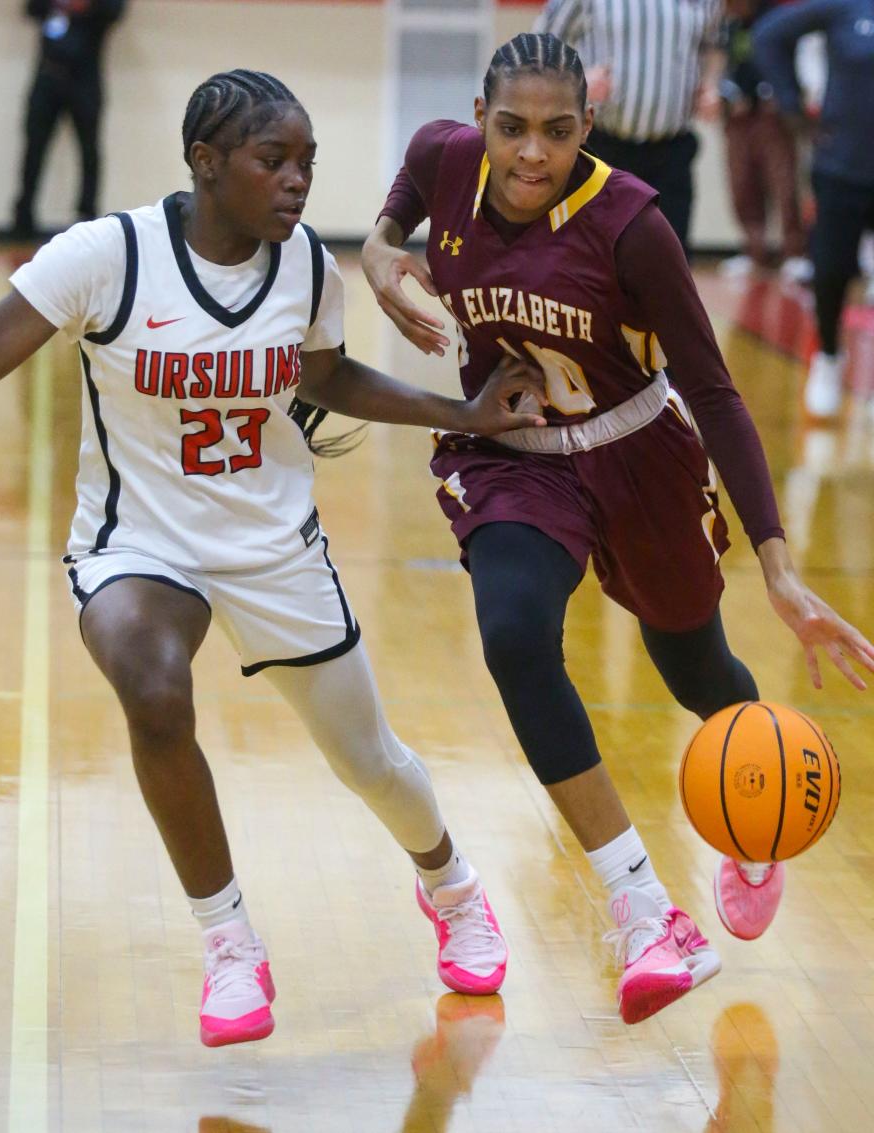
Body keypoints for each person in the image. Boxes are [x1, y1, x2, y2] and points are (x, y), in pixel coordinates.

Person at [0, 70, 552, 1046]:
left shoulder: (305, 271)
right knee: (155, 688)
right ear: (206, 164)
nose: (298, 181)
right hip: (139, 540)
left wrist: (460, 414)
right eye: (274, 160)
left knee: (370, 759)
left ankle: (453, 884)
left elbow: (329, 376)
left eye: (308, 162)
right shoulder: (108, 256)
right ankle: (229, 941)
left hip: (271, 545)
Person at [361, 32, 874, 1024]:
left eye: (557, 132)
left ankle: (754, 811)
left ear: (587, 129)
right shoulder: (441, 159)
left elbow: (718, 393)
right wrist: (383, 249)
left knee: (695, 670)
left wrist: (777, 565)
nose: (529, 154)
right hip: (510, 454)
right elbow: (395, 214)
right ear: (480, 116)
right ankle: (644, 908)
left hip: (639, 452)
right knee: (514, 635)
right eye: (510, 127)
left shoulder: (632, 224)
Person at [754, 0, 874, 419]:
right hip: (843, 166)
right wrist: (789, 103)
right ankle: (828, 356)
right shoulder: (847, 7)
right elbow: (768, 34)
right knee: (831, 271)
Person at [532, 0, 724, 252]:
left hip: (673, 152)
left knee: (669, 260)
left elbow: (713, 45)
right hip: (603, 148)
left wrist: (710, 83)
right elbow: (540, 45)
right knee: (597, 256)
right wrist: (578, 79)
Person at [13, 0, 127, 236]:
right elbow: (30, 8)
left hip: (85, 78)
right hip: (48, 74)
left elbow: (116, 11)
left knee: (89, 150)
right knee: (34, 146)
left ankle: (87, 216)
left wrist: (84, 6)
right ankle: (23, 218)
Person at [718, 0, 809, 281]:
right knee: (742, 184)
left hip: (773, 117)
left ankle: (795, 253)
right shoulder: (730, 27)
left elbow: (794, 64)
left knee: (783, 183)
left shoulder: (779, 20)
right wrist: (729, 96)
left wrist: (780, 97)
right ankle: (754, 252)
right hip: (738, 118)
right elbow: (723, 65)